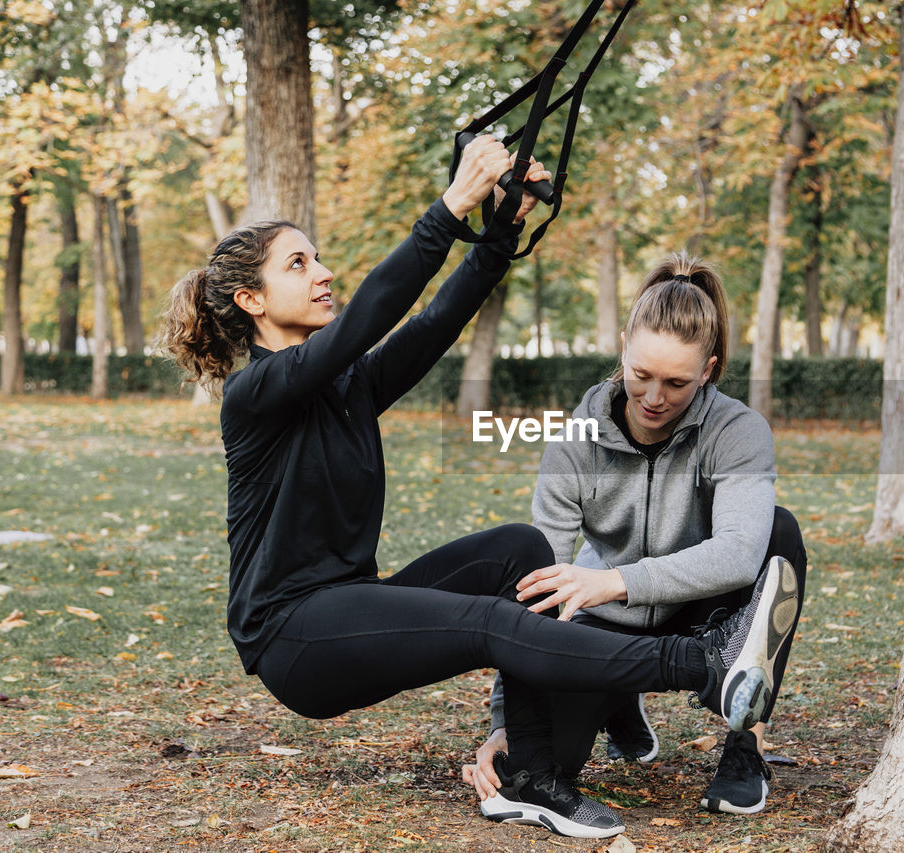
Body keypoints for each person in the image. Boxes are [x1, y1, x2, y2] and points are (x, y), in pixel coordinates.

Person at [156, 138, 801, 841]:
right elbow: (366, 319)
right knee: (484, 623)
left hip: (345, 602)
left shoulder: (348, 388)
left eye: (317, 257)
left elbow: (433, 325)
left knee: (518, 554)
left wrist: (500, 231)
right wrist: (452, 205)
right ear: (251, 300)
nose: (324, 272)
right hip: (291, 635)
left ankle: (530, 776)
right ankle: (704, 666)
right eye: (299, 263)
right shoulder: (255, 392)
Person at [461, 253, 808, 821]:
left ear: (709, 369)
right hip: (606, 629)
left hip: (704, 611)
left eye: (677, 382)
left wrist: (614, 582)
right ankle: (618, 689)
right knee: (552, 760)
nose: (653, 396)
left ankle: (746, 745)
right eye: (641, 374)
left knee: (778, 533)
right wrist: (506, 726)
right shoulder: (574, 442)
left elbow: (741, 554)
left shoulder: (738, 431)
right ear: (623, 346)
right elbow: (532, 589)